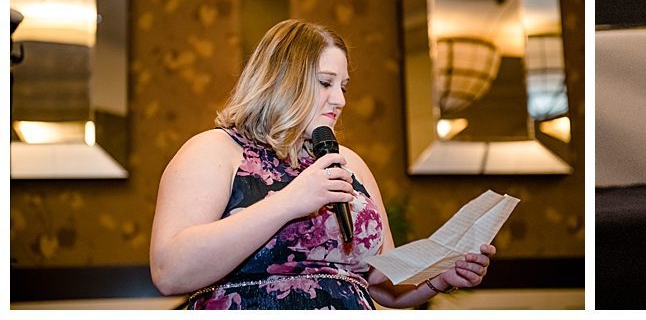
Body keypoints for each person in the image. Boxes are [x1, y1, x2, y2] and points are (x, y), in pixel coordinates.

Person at [150, 19, 494, 307]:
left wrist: (440, 278)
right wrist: (289, 202)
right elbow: (169, 272)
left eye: (344, 86)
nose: (340, 100)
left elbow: (379, 281)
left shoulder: (349, 163)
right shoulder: (215, 150)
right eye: (326, 83)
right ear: (281, 80)